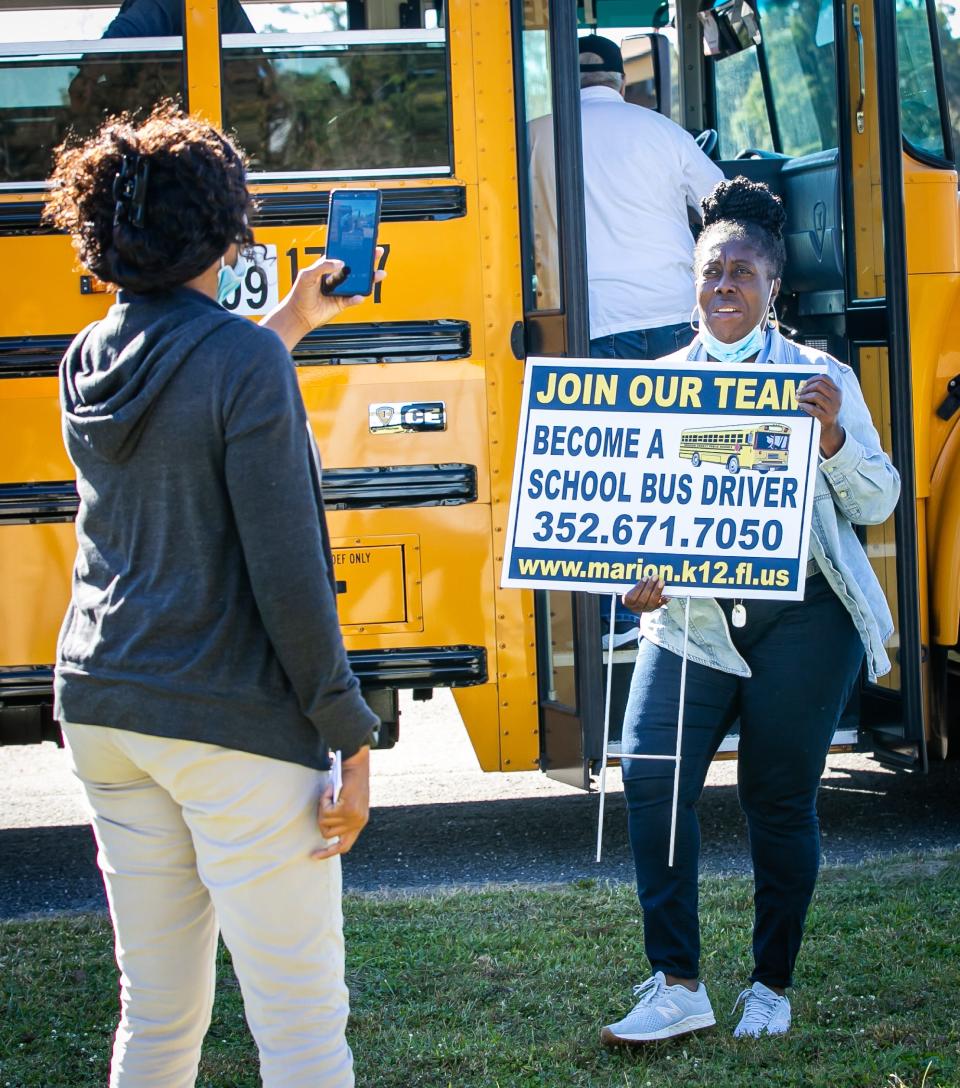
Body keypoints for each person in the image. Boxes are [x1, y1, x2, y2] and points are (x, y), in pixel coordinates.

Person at [46, 103, 381, 1088]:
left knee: (156, 1016)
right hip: (226, 715)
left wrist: (293, 319)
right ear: (227, 229)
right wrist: (350, 732)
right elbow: (291, 574)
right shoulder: (241, 363)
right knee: (304, 1022)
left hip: (105, 704)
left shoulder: (89, 358)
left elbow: (195, 375)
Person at [600, 176, 900, 1044]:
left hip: (806, 616)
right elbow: (627, 521)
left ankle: (771, 985)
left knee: (777, 797)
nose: (723, 285)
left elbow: (877, 504)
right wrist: (631, 580)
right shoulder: (654, 388)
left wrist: (835, 437)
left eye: (741, 272)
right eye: (709, 271)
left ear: (775, 289)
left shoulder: (822, 378)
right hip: (690, 620)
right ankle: (678, 981)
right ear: (692, 284)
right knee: (652, 777)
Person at [527, 34, 722, 358]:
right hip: (675, 314)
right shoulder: (666, 131)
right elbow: (725, 206)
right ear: (622, 83)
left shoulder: (534, 136)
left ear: (561, 80)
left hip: (588, 321)